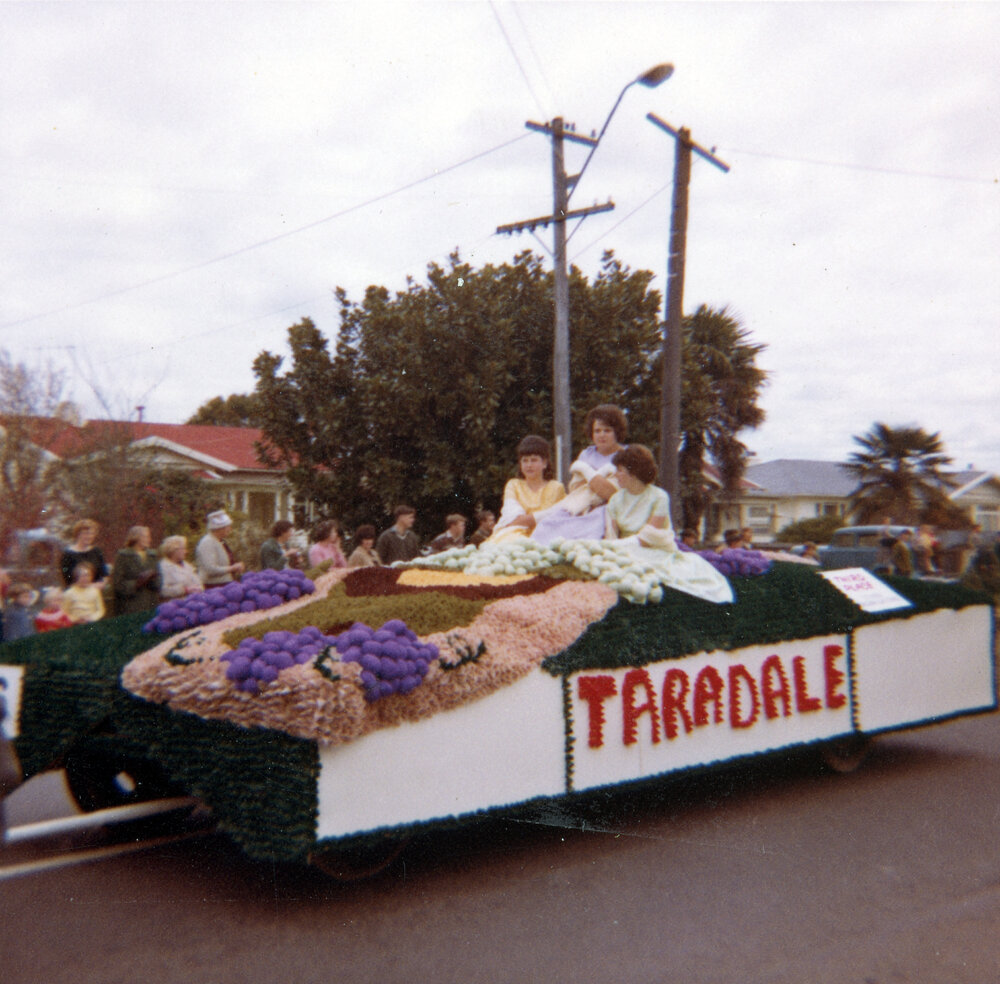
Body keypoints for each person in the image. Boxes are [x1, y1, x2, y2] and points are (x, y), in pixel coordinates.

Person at [604, 445, 733, 605]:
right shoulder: (615, 500)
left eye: (620, 470)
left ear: (633, 473)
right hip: (623, 551)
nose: (615, 475)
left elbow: (649, 536)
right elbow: (611, 536)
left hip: (653, 550)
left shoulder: (659, 497)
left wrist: (616, 546)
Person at [531, 404, 628, 545]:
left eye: (607, 430)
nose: (601, 435)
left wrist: (588, 476)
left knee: (590, 531)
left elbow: (612, 494)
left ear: (617, 432)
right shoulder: (586, 454)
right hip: (580, 504)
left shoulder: (625, 455)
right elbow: (576, 489)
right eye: (597, 431)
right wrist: (598, 482)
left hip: (607, 508)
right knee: (549, 524)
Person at [488, 436, 566, 544]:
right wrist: (540, 517)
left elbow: (558, 519)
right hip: (514, 537)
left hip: (547, 538)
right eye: (525, 460)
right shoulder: (513, 485)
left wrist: (525, 520)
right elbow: (510, 520)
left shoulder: (556, 487)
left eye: (534, 460)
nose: (529, 465)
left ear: (545, 463)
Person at [111, 526, 161, 615]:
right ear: (136, 538)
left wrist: (151, 578)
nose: (149, 540)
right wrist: (137, 583)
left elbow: (159, 581)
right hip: (130, 607)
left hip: (150, 604)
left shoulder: (153, 556)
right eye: (146, 537)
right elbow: (117, 584)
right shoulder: (123, 556)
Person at [196, 511, 244, 586]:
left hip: (224, 584)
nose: (230, 529)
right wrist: (232, 568)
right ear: (219, 528)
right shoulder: (207, 542)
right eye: (228, 526)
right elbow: (210, 569)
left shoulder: (219, 541)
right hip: (213, 586)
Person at [60, 519, 109, 588]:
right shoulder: (68, 554)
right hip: (76, 594)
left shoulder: (97, 551)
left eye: (92, 533)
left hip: (95, 591)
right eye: (86, 533)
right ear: (77, 534)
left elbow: (105, 574)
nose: (89, 536)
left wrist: (99, 585)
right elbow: (66, 578)